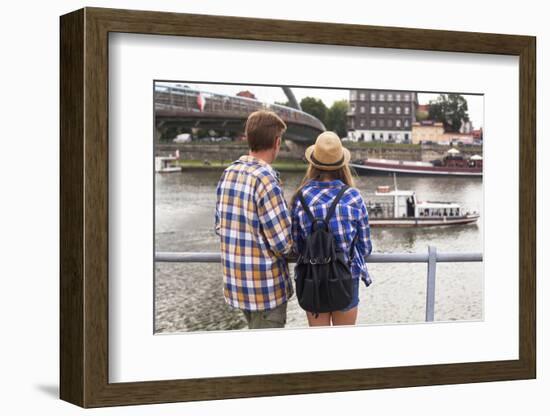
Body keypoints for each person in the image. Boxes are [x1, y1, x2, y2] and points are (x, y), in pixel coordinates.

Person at [215, 110, 293, 329]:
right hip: (264, 290)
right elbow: (283, 243)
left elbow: (219, 226)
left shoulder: (228, 173)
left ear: (248, 139)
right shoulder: (266, 179)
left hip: (237, 286)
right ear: (277, 142)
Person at [291, 131, 373, 326]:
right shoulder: (353, 197)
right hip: (346, 277)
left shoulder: (300, 198)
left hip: (312, 279)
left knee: (320, 346)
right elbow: (366, 247)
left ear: (313, 163)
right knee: (344, 345)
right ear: (342, 164)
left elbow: (296, 246)